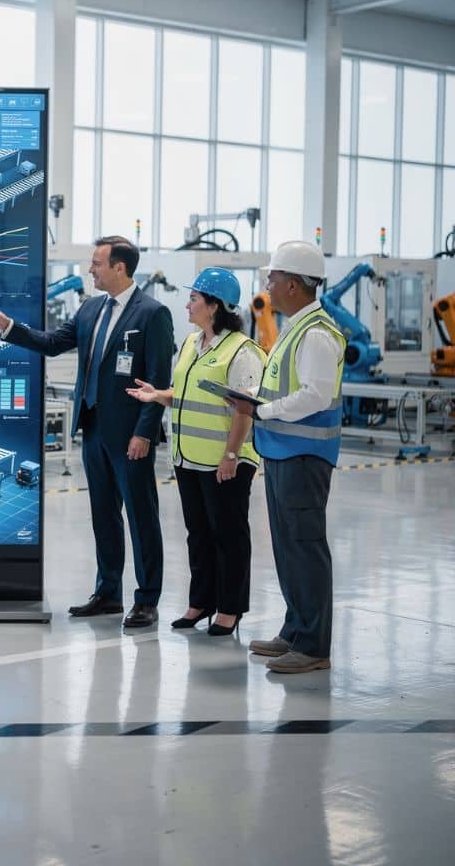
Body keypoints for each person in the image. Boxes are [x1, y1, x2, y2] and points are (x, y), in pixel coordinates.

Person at [0, 235, 174, 626]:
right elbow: (51, 343)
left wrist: (144, 433)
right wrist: (10, 327)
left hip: (131, 434)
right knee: (104, 516)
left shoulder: (153, 313)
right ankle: (108, 592)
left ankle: (147, 599)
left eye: (97, 263)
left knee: (141, 517)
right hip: (95, 427)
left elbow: (158, 378)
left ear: (120, 267)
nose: (90, 269)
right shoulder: (90, 309)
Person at [224, 241, 344, 675]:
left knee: (304, 548)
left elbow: (315, 395)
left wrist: (262, 409)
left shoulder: (315, 334)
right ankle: (296, 630)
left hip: (304, 456)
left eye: (272, 277)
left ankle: (313, 646)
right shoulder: (295, 327)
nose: (267, 285)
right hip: (282, 451)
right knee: (288, 548)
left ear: (294, 283)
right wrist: (254, 400)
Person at [127, 268, 265, 637]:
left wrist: (232, 456)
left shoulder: (242, 351)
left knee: (228, 535)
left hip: (226, 460)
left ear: (215, 305)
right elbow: (185, 392)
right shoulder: (191, 344)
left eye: (194, 299)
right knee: (198, 533)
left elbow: (244, 408)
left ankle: (230, 608)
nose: (187, 304)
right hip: (188, 457)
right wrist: (157, 395)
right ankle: (200, 602)